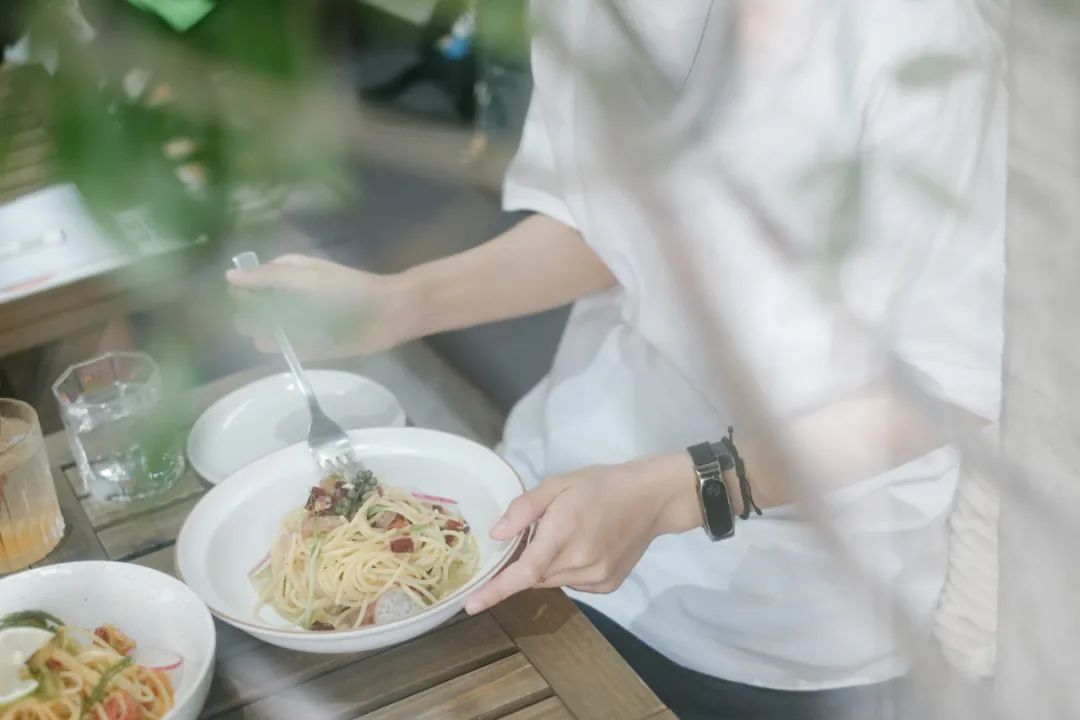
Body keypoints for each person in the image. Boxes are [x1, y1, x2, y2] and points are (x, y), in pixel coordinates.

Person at [228, 1, 1004, 718]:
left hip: (786, 610)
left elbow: (948, 388)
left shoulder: (914, 35)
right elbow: (603, 225)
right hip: (555, 497)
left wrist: (679, 491)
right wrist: (401, 303)